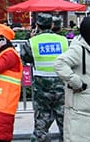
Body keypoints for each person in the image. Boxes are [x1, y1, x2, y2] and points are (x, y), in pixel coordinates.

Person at [20, 13, 67, 141]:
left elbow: (25, 58)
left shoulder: (32, 42)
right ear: (52, 25)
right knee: (66, 125)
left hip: (41, 89)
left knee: (41, 125)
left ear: (37, 25)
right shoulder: (63, 41)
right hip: (61, 87)